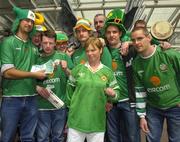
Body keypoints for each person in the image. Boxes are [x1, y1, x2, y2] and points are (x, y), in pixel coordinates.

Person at [0, 6, 46, 142]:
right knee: (7, 137)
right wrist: (34, 75)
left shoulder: (33, 47)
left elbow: (37, 68)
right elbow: (7, 73)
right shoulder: (8, 43)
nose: (29, 23)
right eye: (26, 20)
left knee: (28, 137)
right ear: (18, 22)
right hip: (12, 98)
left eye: (31, 21)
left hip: (31, 97)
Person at [66, 37, 120, 142]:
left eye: (93, 50)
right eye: (87, 51)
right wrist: (69, 113)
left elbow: (117, 94)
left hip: (97, 123)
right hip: (76, 122)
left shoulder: (108, 72)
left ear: (100, 50)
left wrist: (113, 95)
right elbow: (69, 93)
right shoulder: (77, 69)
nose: (90, 53)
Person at [131, 27, 180, 142]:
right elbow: (140, 91)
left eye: (140, 38)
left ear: (149, 38)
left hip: (175, 106)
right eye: (133, 40)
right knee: (151, 139)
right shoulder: (136, 64)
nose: (137, 43)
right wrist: (142, 116)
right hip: (153, 108)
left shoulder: (168, 54)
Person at [104, 8, 140, 142]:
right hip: (111, 102)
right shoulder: (103, 52)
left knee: (131, 136)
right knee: (113, 137)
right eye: (108, 32)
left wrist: (130, 41)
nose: (112, 35)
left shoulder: (129, 50)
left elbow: (148, 40)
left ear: (120, 33)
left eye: (114, 32)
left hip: (128, 101)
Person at [35, 30, 73, 142]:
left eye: (50, 43)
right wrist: (36, 87)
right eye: (45, 43)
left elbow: (74, 78)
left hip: (59, 105)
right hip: (42, 106)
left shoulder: (63, 56)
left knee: (58, 137)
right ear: (40, 43)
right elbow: (28, 80)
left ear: (55, 43)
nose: (47, 46)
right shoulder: (36, 58)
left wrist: (66, 69)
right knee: (42, 138)